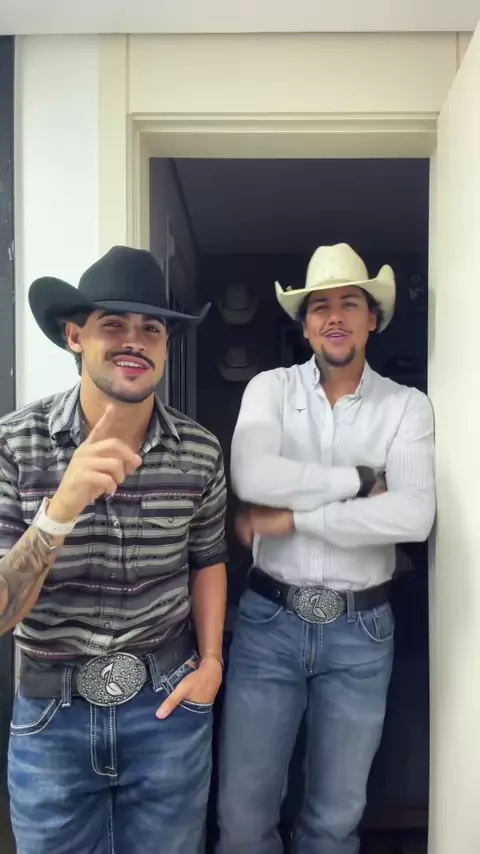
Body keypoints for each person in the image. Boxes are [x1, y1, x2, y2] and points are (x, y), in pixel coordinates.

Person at [1, 246, 227, 854]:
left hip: (167, 708)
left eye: (151, 328)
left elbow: (208, 560)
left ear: (166, 345)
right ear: (75, 336)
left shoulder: (200, 452)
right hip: (52, 718)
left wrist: (211, 662)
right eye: (113, 324)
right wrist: (61, 507)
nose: (134, 341)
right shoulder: (15, 445)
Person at [216, 243, 436, 854]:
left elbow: (413, 516)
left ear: (372, 319)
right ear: (306, 324)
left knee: (336, 820)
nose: (334, 316)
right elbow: (253, 478)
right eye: (320, 306)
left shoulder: (407, 406)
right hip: (269, 624)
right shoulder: (270, 388)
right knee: (242, 818)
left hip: (361, 631)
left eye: (349, 303)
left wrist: (294, 517)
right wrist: (360, 482)